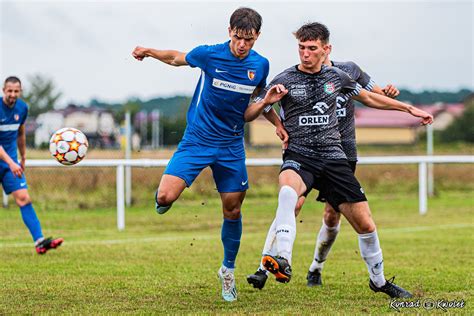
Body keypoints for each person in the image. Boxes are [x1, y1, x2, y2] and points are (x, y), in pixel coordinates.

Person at [244, 22, 433, 298]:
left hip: (334, 159)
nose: (305, 54)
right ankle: (281, 258)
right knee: (288, 192)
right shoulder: (284, 78)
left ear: (326, 49)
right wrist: (270, 112)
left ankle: (378, 281)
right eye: (301, 48)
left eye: (311, 48)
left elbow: (370, 98)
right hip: (300, 156)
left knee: (365, 224)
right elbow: (253, 110)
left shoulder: (339, 76)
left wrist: (409, 109)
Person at [131, 7, 287, 302]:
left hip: (230, 146)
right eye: (239, 38)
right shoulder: (209, 54)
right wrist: (149, 51)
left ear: (257, 37)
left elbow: (252, 110)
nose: (243, 45)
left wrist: (276, 120)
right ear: (229, 31)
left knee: (233, 209)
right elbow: (177, 58)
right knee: (165, 198)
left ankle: (227, 271)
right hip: (197, 140)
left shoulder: (260, 65)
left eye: (249, 40)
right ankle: (162, 198)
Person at [0, 76, 63, 254]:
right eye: (9, 91)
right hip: (8, 161)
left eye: (16, 91)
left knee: (23, 198)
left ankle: (40, 241)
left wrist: (23, 156)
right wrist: (11, 162)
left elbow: (20, 134)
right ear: (3, 90)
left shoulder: (22, 108)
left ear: (20, 91)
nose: (12, 94)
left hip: (10, 163)